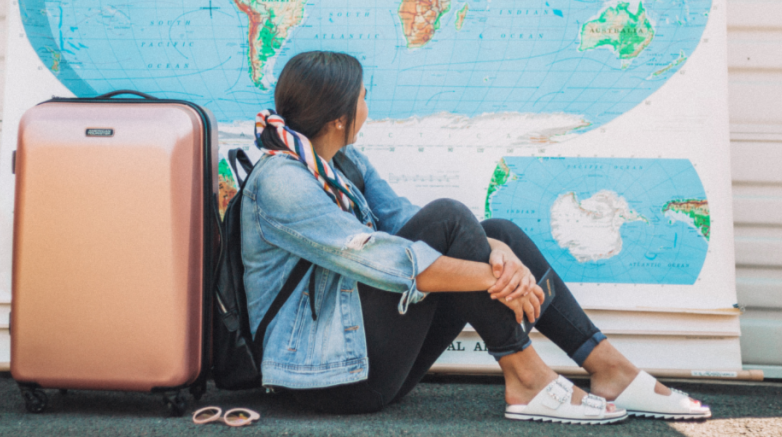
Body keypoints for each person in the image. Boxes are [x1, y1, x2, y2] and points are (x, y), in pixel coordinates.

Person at [239, 51, 710, 423]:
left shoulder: (343, 164)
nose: (368, 106)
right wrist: (492, 276)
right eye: (363, 97)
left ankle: (608, 369)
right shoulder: (281, 180)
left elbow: (406, 218)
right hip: (325, 378)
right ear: (340, 116)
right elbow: (381, 260)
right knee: (451, 219)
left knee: (495, 230)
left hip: (365, 364)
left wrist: (498, 253)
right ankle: (527, 378)